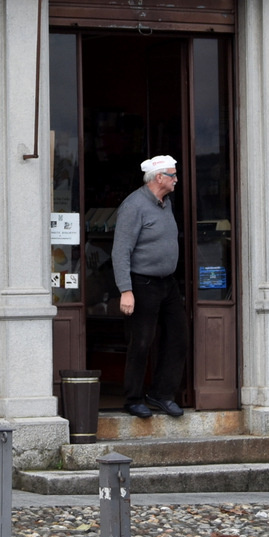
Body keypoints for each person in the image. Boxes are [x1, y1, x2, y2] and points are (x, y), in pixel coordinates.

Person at [112, 154, 187, 419]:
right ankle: (133, 399)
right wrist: (126, 290)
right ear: (159, 178)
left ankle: (162, 394)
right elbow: (120, 251)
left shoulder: (165, 203)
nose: (177, 179)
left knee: (179, 337)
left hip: (168, 284)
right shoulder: (134, 206)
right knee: (141, 342)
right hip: (141, 284)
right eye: (173, 175)